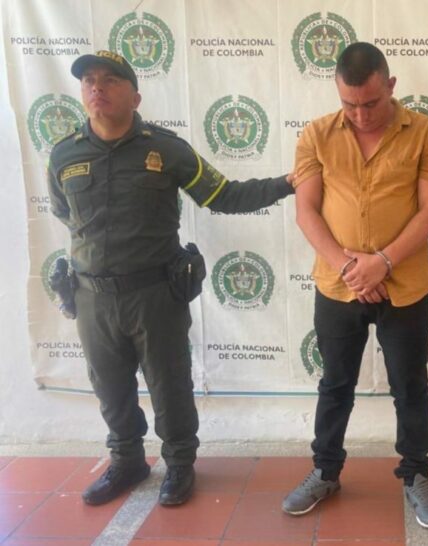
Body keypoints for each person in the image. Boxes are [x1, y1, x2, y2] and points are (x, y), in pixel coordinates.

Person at [47, 50, 294, 507]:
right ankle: (127, 461)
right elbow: (64, 214)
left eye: (111, 80)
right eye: (89, 81)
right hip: (92, 298)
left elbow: (224, 195)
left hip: (155, 293)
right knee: (110, 387)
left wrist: (288, 182)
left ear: (135, 96)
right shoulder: (64, 154)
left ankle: (179, 464)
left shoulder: (166, 149)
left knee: (170, 384)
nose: (97, 87)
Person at [282, 42, 428, 529]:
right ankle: (325, 470)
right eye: (349, 104)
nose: (360, 114)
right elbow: (307, 210)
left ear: (391, 86)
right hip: (337, 288)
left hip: (406, 285)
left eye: (371, 103)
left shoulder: (424, 131)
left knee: (410, 386)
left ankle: (417, 474)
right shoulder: (316, 134)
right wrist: (351, 268)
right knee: (335, 385)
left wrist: (382, 262)